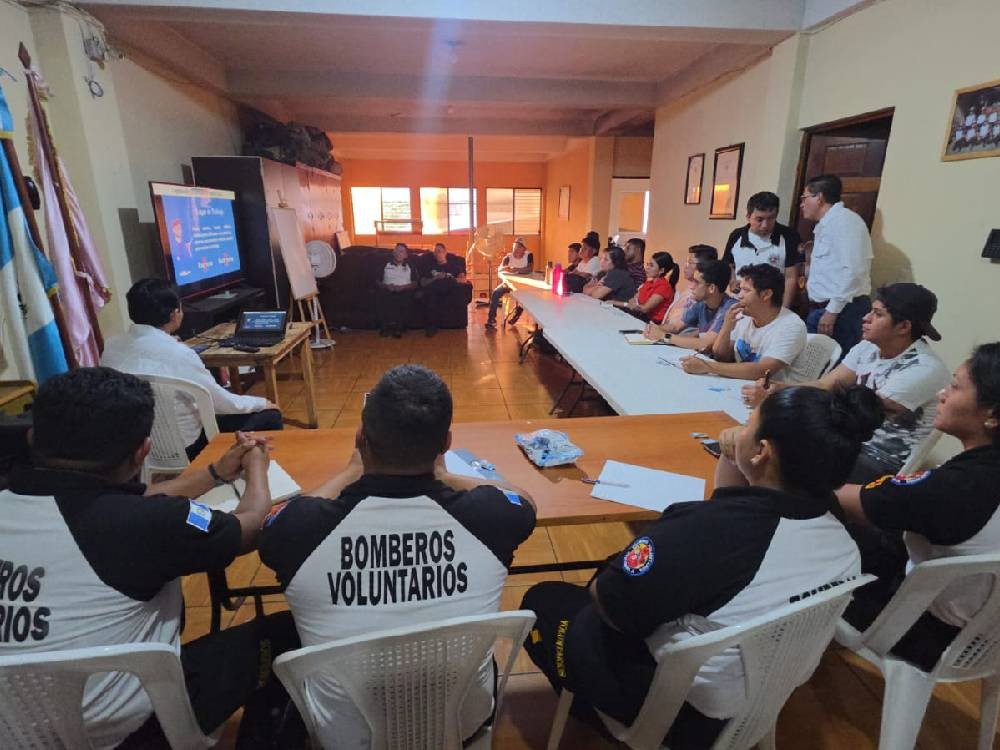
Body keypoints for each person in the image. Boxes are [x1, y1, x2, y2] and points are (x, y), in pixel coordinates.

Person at [521, 385, 881, 749]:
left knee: (544, 601)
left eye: (748, 424)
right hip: (761, 695)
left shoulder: (709, 529)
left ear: (762, 451)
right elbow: (731, 512)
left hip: (675, 714)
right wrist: (733, 460)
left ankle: (595, 711)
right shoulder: (841, 534)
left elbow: (613, 609)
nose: (739, 431)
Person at [0, 367, 300, 748]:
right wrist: (257, 467)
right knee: (285, 633)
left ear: (32, 437)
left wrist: (214, 473)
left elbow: (113, 501)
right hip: (123, 735)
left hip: (11, 730)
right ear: (142, 451)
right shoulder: (151, 523)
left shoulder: (20, 503)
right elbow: (249, 526)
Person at [259, 365, 536, 749]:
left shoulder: (297, 531)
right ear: (446, 443)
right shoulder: (493, 517)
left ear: (361, 438)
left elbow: (276, 519)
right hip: (461, 722)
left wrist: (349, 472)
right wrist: (448, 476)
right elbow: (524, 500)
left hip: (348, 735)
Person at [834, 343, 1000, 672]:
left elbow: (838, 498)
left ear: (993, 415)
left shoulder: (956, 487)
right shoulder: (976, 474)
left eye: (955, 387)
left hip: (921, 631)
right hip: (986, 636)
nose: (941, 394)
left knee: (823, 528)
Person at [737, 283, 950, 484]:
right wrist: (777, 391)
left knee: (771, 455)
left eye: (878, 314)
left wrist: (783, 404)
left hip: (879, 459)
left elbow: (858, 416)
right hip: (847, 442)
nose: (865, 318)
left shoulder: (922, 369)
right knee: (756, 443)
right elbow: (825, 385)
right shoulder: (868, 347)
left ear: (903, 326)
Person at [101, 278, 282, 460]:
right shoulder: (179, 353)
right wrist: (261, 403)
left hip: (135, 448)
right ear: (175, 314)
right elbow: (220, 402)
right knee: (270, 415)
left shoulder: (112, 346)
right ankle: (258, 468)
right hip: (186, 448)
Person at [681, 263, 809, 382]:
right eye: (740, 289)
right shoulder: (746, 316)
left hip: (774, 393)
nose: (739, 296)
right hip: (741, 385)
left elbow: (762, 371)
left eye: (746, 290)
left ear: (766, 294)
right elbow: (721, 355)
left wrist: (708, 367)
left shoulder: (791, 325)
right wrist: (726, 326)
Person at [800, 174, 873, 354]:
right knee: (813, 363)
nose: (802, 204)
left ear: (819, 198)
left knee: (836, 363)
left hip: (841, 310)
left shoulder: (846, 222)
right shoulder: (826, 224)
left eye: (804, 198)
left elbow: (854, 271)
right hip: (822, 308)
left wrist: (832, 310)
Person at [722, 191, 803, 308]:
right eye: (759, 219)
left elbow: (791, 278)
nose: (765, 225)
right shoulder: (737, 235)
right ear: (748, 217)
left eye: (771, 218)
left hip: (771, 304)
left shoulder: (789, 236)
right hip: (739, 301)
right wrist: (732, 280)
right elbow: (728, 264)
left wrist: (784, 309)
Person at [646, 260, 736, 350]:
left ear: (711, 288)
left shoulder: (729, 308)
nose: (692, 286)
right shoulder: (702, 303)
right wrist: (654, 329)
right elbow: (676, 327)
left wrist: (664, 336)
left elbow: (705, 344)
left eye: (697, 282)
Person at [420, 242, 472, 338]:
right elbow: (423, 283)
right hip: (434, 290)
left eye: (439, 251)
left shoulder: (454, 266)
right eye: (435, 252)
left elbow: (463, 280)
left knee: (448, 282)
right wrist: (435, 278)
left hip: (450, 289)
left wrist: (449, 279)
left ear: (445, 252)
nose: (437, 254)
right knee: (431, 291)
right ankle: (432, 327)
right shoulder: (430, 267)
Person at [662, 244, 719, 332]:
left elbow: (680, 327)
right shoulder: (689, 290)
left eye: (690, 262)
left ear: (703, 266)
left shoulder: (701, 296)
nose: (685, 266)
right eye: (686, 262)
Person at [613, 251, 678, 323]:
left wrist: (625, 304)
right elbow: (633, 299)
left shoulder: (664, 287)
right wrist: (631, 304)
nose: (647, 268)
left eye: (651, 265)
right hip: (639, 315)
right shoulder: (649, 282)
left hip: (650, 322)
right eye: (648, 264)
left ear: (661, 270)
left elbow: (644, 309)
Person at [485, 237, 534, 329]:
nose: (516, 250)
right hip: (508, 284)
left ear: (524, 249)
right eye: (515, 247)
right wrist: (505, 269)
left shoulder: (529, 255)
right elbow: (500, 269)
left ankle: (518, 311)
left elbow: (529, 269)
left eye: (519, 247)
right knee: (495, 293)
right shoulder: (508, 257)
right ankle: (491, 319)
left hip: (524, 285)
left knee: (531, 295)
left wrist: (514, 270)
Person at [375, 243, 419, 338]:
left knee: (404, 298)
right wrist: (387, 286)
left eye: (401, 251)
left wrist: (403, 287)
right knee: (381, 296)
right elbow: (377, 281)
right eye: (397, 251)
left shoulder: (410, 266)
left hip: (405, 289)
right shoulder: (385, 264)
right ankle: (384, 327)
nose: (399, 253)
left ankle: (399, 328)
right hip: (387, 289)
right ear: (393, 253)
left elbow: (415, 283)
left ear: (406, 255)